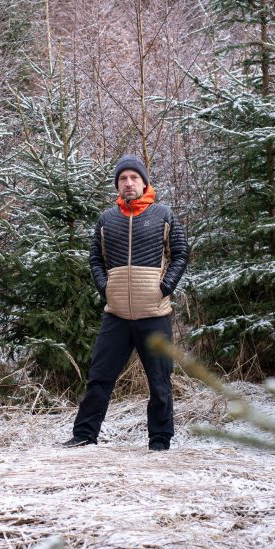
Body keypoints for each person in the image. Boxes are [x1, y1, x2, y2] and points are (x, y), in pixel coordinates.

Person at [62, 154, 188, 451]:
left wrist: (165, 286)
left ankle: (159, 441)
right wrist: (106, 288)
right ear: (117, 185)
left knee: (159, 381)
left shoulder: (163, 214)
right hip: (116, 315)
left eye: (133, 178)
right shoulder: (107, 219)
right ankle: (84, 435)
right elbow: (95, 258)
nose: (128, 183)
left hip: (153, 313)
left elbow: (180, 254)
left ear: (144, 182)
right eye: (122, 179)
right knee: (99, 378)